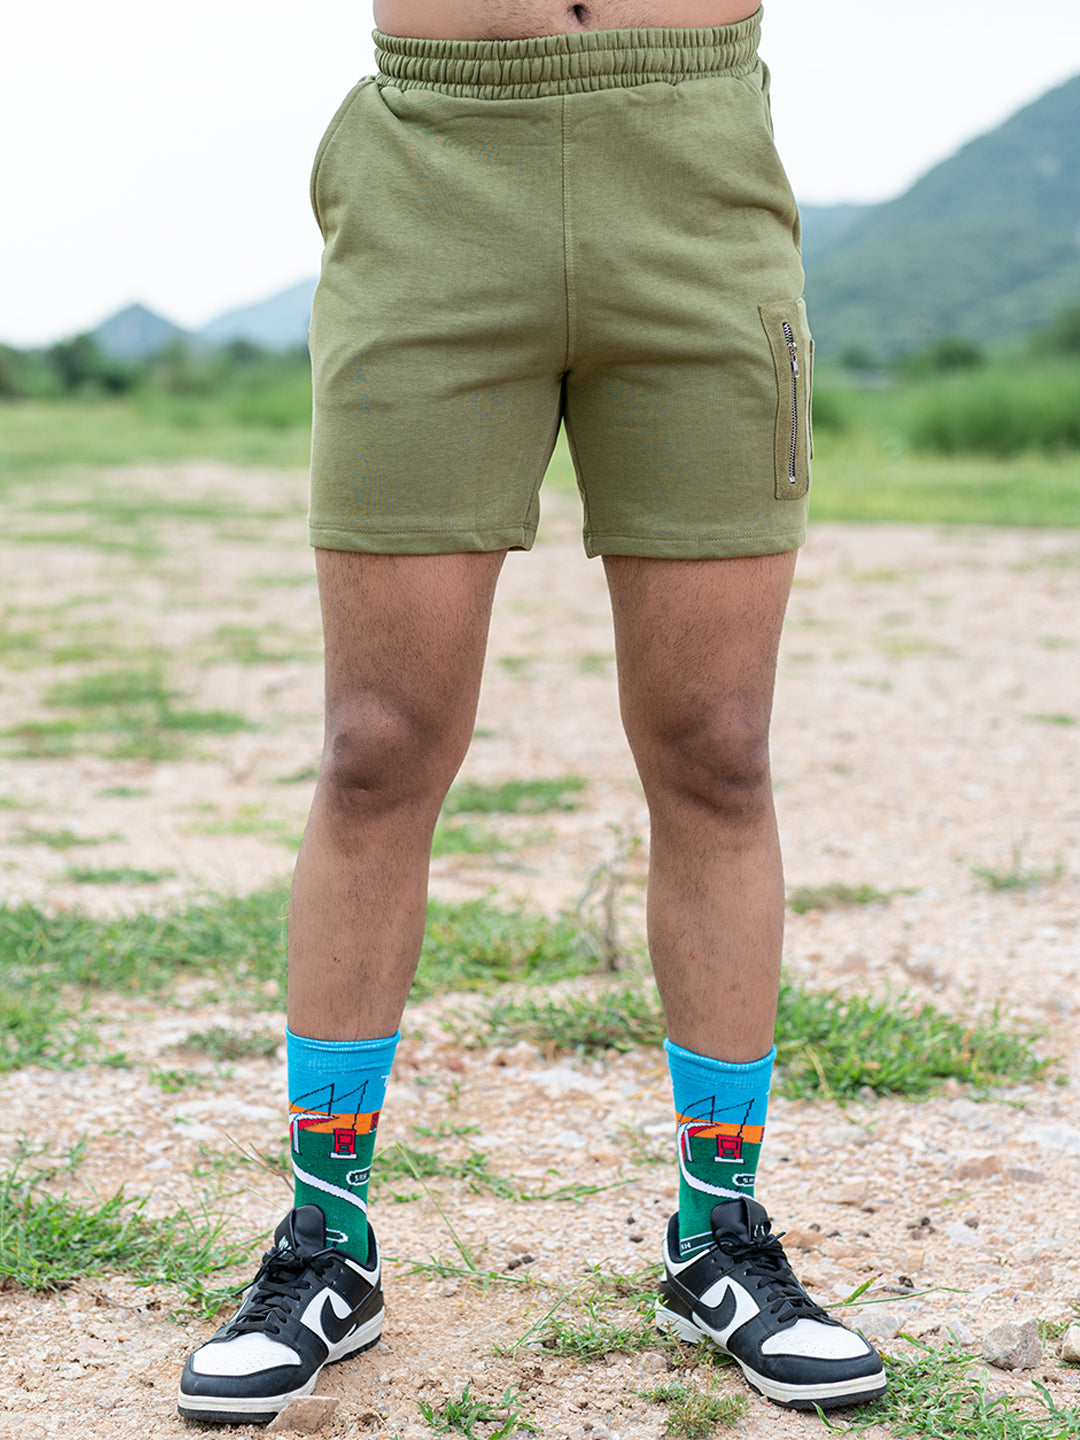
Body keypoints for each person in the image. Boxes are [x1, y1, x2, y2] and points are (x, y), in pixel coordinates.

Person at [178, 0, 886, 1424]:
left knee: (719, 750)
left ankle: (718, 1234)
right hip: (436, 169)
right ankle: (326, 1238)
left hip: (691, 167)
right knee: (377, 746)